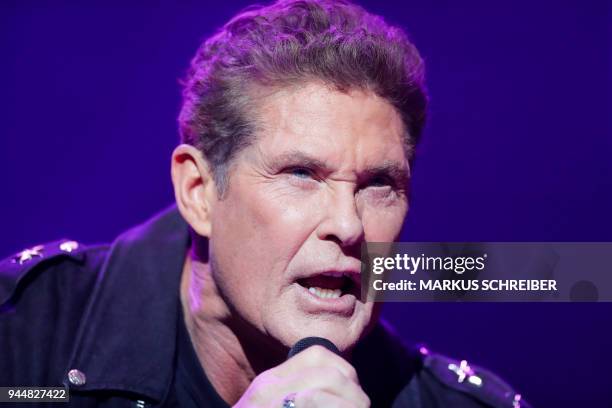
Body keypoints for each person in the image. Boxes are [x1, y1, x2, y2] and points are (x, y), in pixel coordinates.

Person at [0, 0, 529, 406]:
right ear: (199, 193)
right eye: (301, 174)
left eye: (378, 185)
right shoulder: (26, 343)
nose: (348, 225)